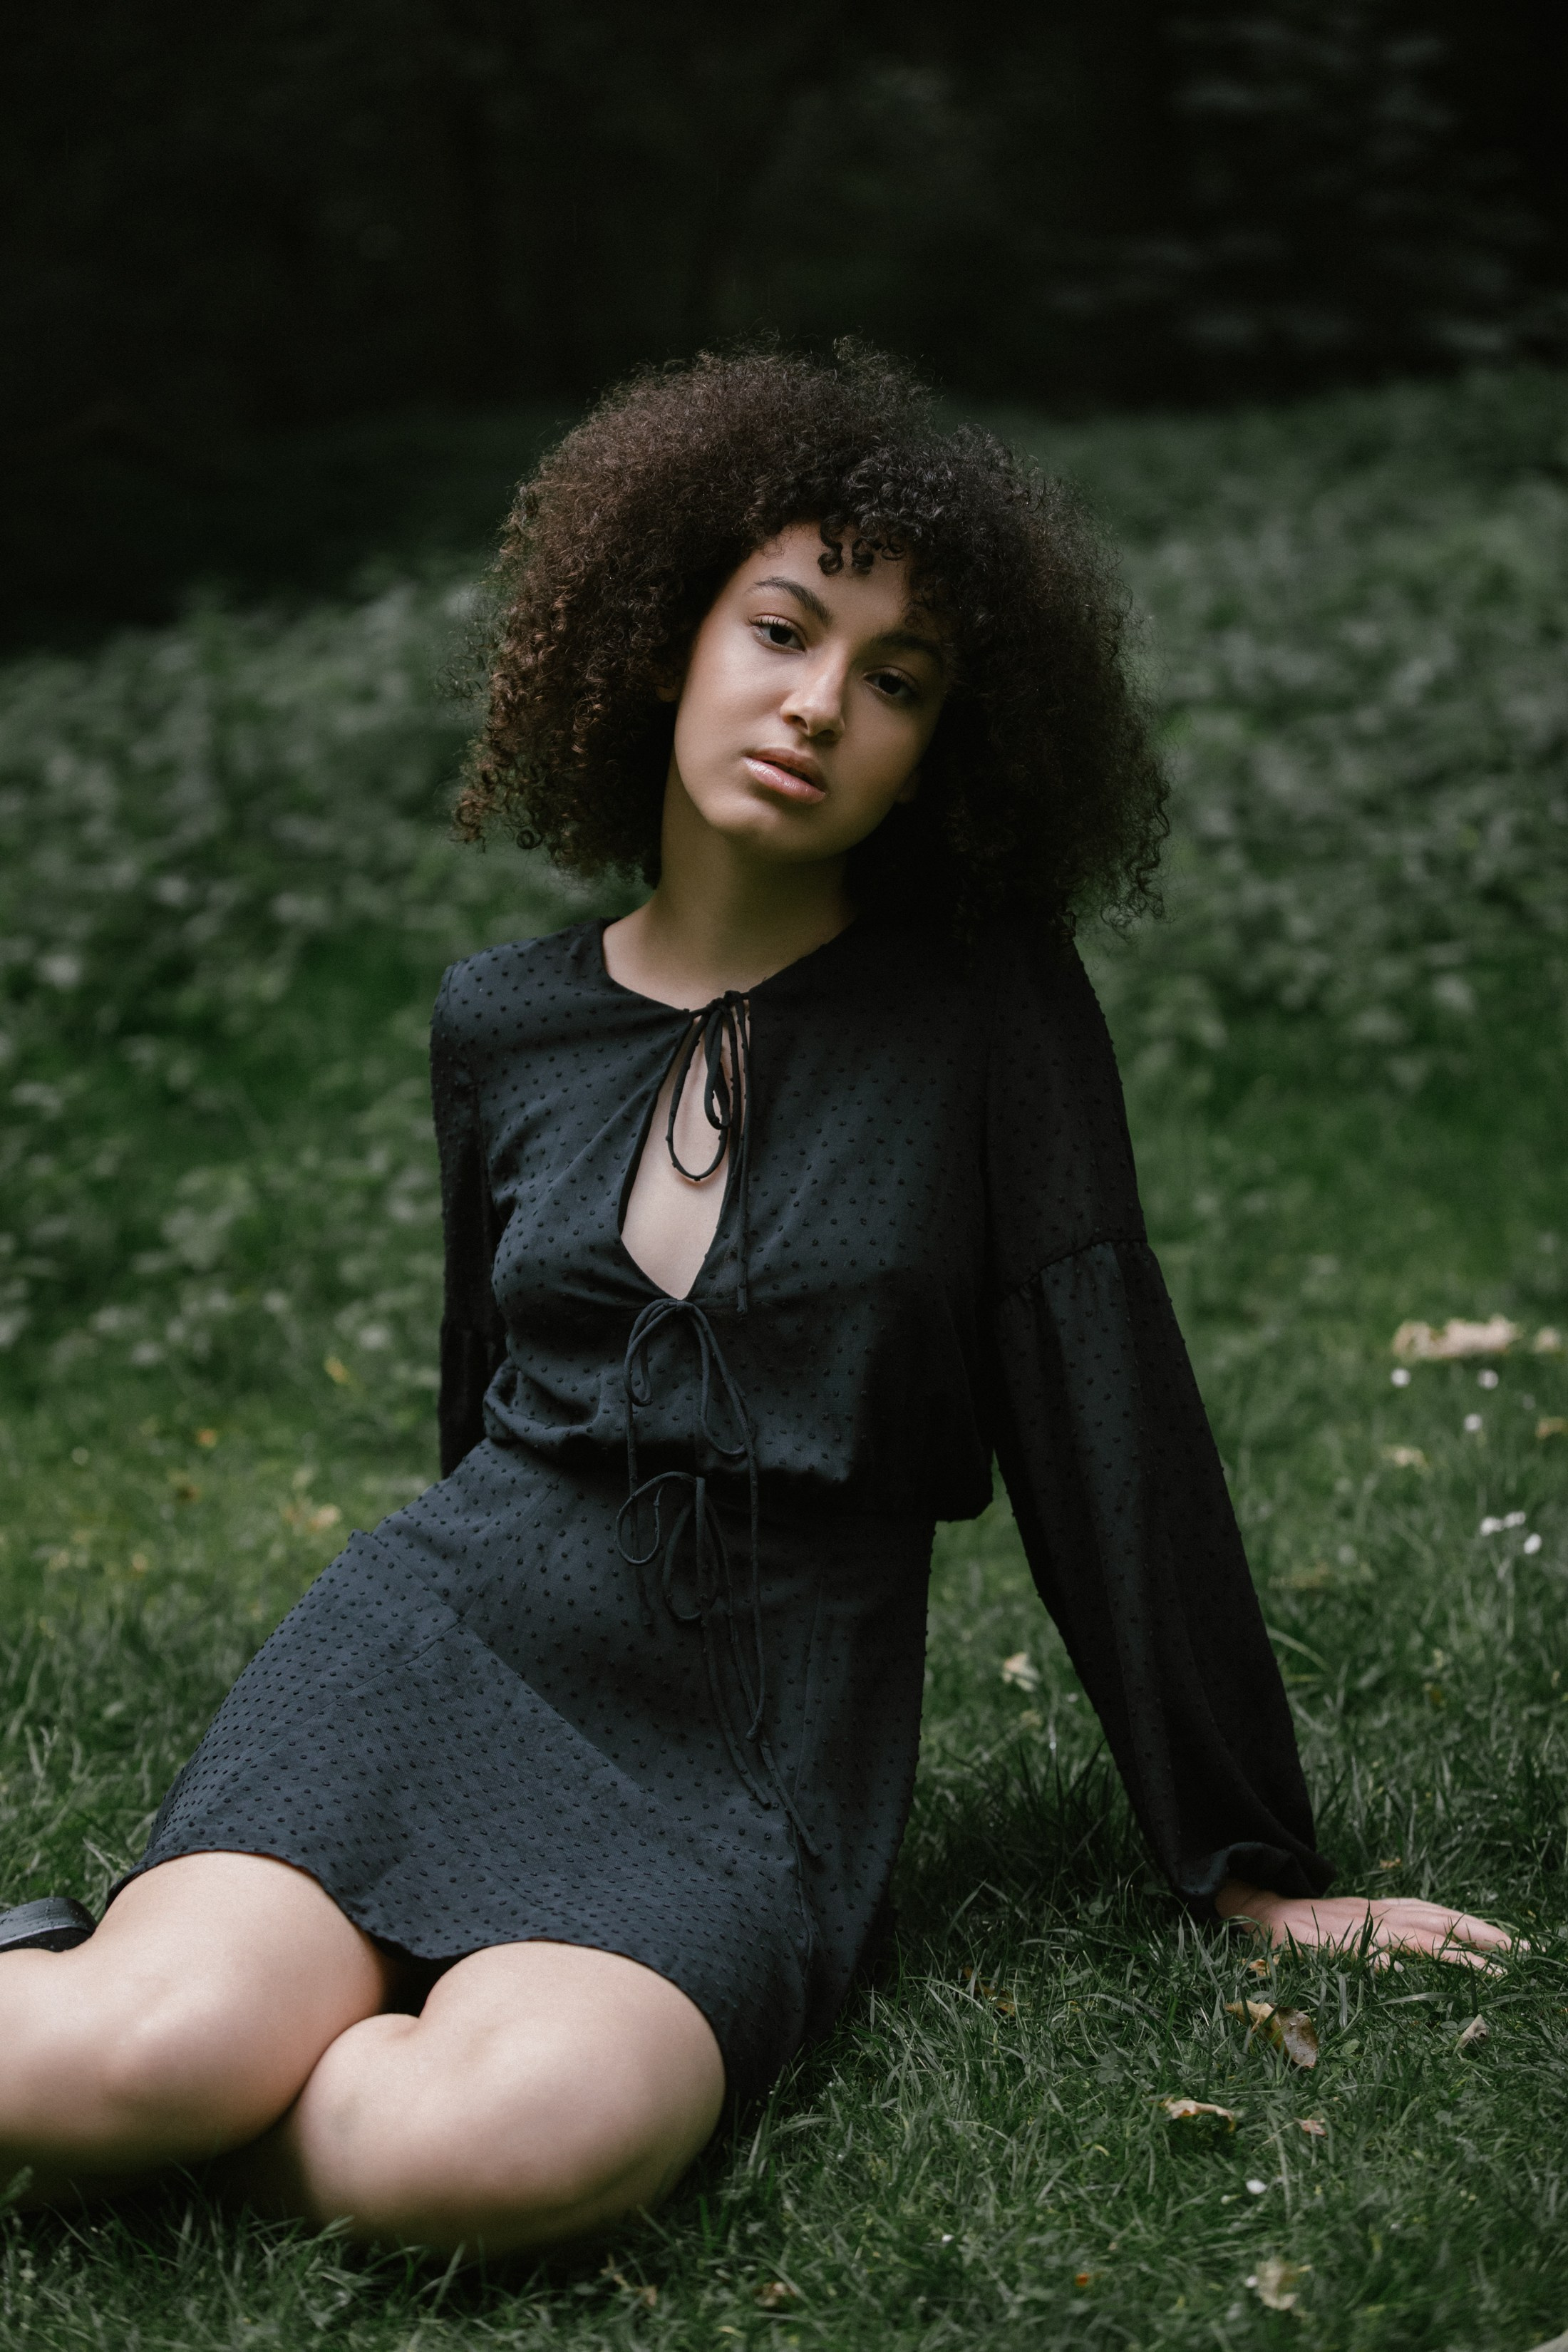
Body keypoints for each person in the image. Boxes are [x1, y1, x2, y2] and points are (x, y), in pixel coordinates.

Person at [0, 349, 1514, 2258]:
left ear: (944, 745)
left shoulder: (987, 1013)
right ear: (661, 641)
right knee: (136, 2046)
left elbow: (1100, 1403)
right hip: (439, 1645)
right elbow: (482, 1410)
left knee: (487, 2153)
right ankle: (167, 2057)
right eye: (783, 629)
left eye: (900, 681)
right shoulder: (502, 1017)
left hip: (746, 1752)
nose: (823, 704)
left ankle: (205, 2118)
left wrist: (1245, 1858)